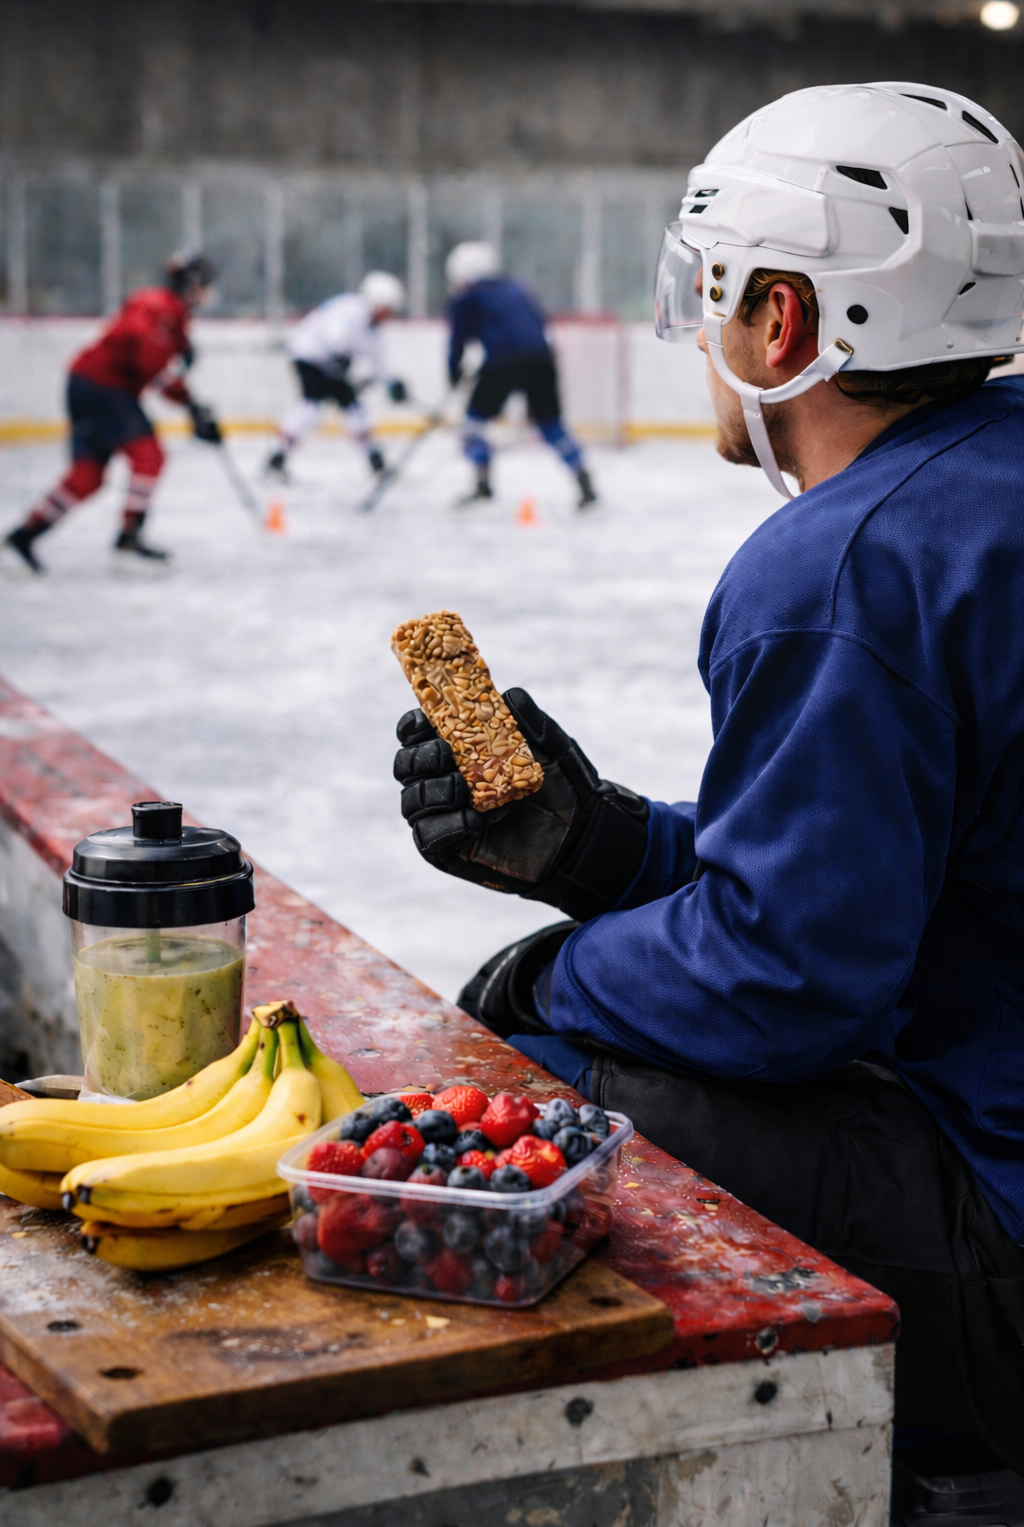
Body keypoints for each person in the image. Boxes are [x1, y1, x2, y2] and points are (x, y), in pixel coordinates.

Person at [394, 83, 1024, 1493]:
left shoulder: (847, 565)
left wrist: (554, 973)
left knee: (527, 1085)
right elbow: (886, 876)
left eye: (713, 293)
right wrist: (608, 852)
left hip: (1005, 1248)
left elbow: (788, 982)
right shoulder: (990, 492)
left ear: (782, 322)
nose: (700, 334)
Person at [4, 252, 220, 573]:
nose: (208, 293)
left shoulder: (167, 310)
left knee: (87, 476)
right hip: (103, 387)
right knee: (149, 456)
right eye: (205, 285)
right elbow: (150, 361)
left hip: (90, 384)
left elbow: (153, 360)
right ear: (191, 284)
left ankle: (23, 537)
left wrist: (188, 393)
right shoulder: (159, 306)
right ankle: (128, 540)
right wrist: (191, 405)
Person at [445, 242, 597, 508]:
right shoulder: (517, 289)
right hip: (542, 360)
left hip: (502, 361)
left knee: (474, 422)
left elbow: (458, 340)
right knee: (550, 423)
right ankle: (583, 478)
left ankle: (482, 483)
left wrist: (453, 372)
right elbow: (538, 324)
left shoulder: (468, 296)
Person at [265, 272, 410, 482]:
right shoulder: (351, 311)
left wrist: (392, 382)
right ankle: (275, 461)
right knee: (310, 409)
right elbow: (334, 340)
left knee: (355, 411)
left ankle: (377, 464)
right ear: (378, 302)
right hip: (310, 361)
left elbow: (378, 362)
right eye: (388, 309)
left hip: (330, 368)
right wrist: (347, 372)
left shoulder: (371, 327)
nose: (390, 316)